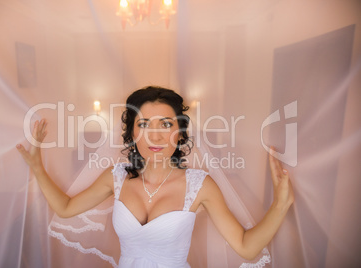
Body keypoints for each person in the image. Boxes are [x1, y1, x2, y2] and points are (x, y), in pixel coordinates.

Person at [16, 86, 294, 267]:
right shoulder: (116, 178)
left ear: (180, 131)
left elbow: (245, 247)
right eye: (144, 125)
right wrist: (38, 168)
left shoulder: (200, 185)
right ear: (132, 133)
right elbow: (65, 208)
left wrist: (280, 204)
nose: (156, 136)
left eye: (166, 124)